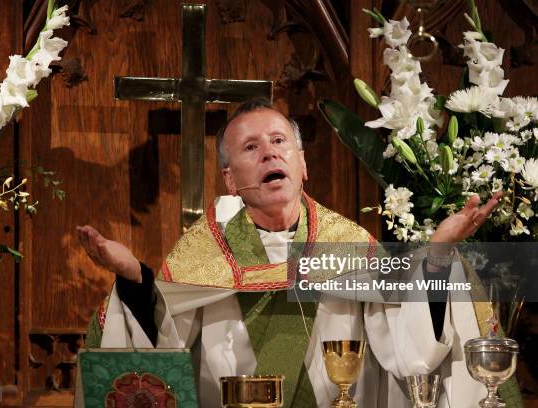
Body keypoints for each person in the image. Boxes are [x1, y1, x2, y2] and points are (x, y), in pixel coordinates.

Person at [77, 98, 505, 407]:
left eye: (279, 141)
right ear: (230, 180)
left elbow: (410, 349)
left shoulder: (350, 246)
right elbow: (159, 348)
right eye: (251, 148)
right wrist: (135, 279)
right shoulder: (203, 254)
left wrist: (437, 255)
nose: (269, 152)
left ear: (302, 164)